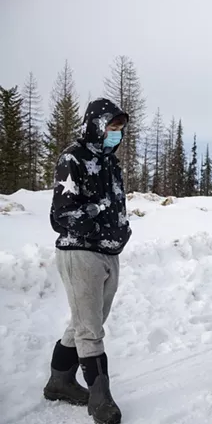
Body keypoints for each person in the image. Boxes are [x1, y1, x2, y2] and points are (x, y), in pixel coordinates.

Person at [43, 98, 131, 424]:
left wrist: (122, 231)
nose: (116, 134)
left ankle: (59, 381)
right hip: (80, 251)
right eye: (111, 127)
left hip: (109, 252)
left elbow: (115, 205)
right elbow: (61, 213)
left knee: (86, 321)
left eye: (120, 129)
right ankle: (101, 398)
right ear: (95, 125)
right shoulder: (73, 158)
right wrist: (96, 227)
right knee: (90, 328)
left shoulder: (110, 162)